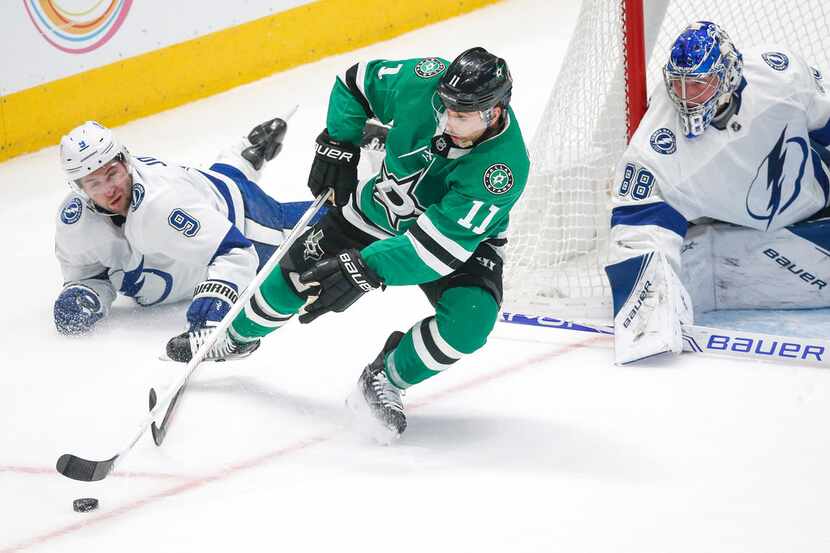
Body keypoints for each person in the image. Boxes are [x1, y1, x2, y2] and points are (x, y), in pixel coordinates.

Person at [167, 47, 530, 442]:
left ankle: (386, 378)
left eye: (460, 116)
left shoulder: (503, 170)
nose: (446, 121)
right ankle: (233, 338)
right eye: (444, 108)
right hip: (380, 208)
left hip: (459, 244)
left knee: (469, 324)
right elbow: (355, 82)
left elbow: (434, 251)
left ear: (494, 112)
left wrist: (364, 268)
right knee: (296, 274)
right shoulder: (425, 79)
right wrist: (338, 143)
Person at [604, 21, 830, 364]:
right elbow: (637, 225)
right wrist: (649, 310)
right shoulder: (654, 147)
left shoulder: (779, 75)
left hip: (816, 194)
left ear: (728, 74)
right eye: (678, 85)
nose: (686, 97)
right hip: (739, 226)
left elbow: (824, 119)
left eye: (698, 84)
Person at [54, 116, 320, 353]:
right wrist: (84, 290)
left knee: (334, 229)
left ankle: (358, 202)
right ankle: (245, 155)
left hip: (244, 218)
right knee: (212, 186)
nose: (109, 190)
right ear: (80, 189)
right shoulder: (77, 223)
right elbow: (90, 271)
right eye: (94, 183)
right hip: (201, 194)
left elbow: (235, 251)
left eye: (112, 174)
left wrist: (211, 309)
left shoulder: (161, 204)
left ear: (126, 161)